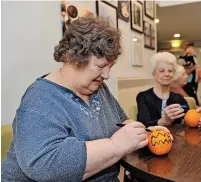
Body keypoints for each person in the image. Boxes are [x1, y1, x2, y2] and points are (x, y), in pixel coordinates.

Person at [2, 14, 168, 182]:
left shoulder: (99, 89)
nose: (107, 75)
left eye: (110, 66)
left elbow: (120, 121)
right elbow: (45, 166)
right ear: (73, 58)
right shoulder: (40, 98)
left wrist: (147, 132)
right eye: (101, 66)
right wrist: (115, 146)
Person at [136, 52, 189, 127]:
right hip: (151, 137)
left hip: (175, 138)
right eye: (162, 71)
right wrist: (164, 120)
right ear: (154, 74)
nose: (167, 74)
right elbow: (144, 123)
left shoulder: (179, 98)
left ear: (174, 74)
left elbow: (189, 117)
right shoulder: (143, 97)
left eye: (170, 71)